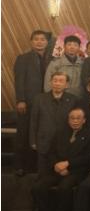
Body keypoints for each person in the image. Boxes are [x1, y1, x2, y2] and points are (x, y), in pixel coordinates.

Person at [31, 107, 90, 211]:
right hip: (57, 170)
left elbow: (88, 157)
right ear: (68, 120)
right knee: (38, 187)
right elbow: (51, 152)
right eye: (72, 118)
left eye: (78, 118)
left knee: (64, 187)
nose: (75, 121)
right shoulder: (60, 133)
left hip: (76, 172)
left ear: (84, 120)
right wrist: (56, 165)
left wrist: (68, 164)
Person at [14, 30, 50, 175]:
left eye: (42, 39)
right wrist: (20, 100)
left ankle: (36, 166)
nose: (39, 42)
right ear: (31, 42)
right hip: (27, 103)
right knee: (24, 134)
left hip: (45, 103)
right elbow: (19, 81)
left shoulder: (51, 59)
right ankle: (20, 166)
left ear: (47, 42)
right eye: (36, 39)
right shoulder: (23, 58)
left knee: (40, 134)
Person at [30, 72, 77, 174]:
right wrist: (33, 140)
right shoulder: (39, 99)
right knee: (43, 174)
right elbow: (34, 121)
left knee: (61, 175)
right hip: (44, 142)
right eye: (55, 80)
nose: (57, 83)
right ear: (50, 82)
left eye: (61, 81)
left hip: (64, 143)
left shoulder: (73, 100)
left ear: (66, 85)